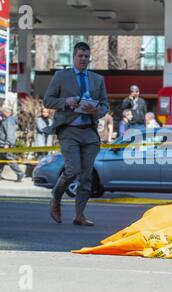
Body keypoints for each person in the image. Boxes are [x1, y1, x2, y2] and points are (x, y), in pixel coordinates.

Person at [43, 41, 109, 226]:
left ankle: (79, 215)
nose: (83, 59)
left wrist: (95, 110)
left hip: (89, 132)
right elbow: (47, 101)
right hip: (69, 130)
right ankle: (55, 197)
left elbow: (105, 105)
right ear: (73, 57)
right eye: (80, 56)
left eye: (86, 56)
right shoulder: (61, 76)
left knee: (86, 177)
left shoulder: (97, 79)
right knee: (72, 170)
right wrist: (66, 101)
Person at [0, 107, 25, 182]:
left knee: (10, 159)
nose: (1, 113)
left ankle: (20, 173)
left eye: (2, 112)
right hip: (1, 143)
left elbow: (10, 133)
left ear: (7, 112)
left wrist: (7, 143)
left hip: (5, 144)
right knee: (1, 160)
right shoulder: (7, 120)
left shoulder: (9, 120)